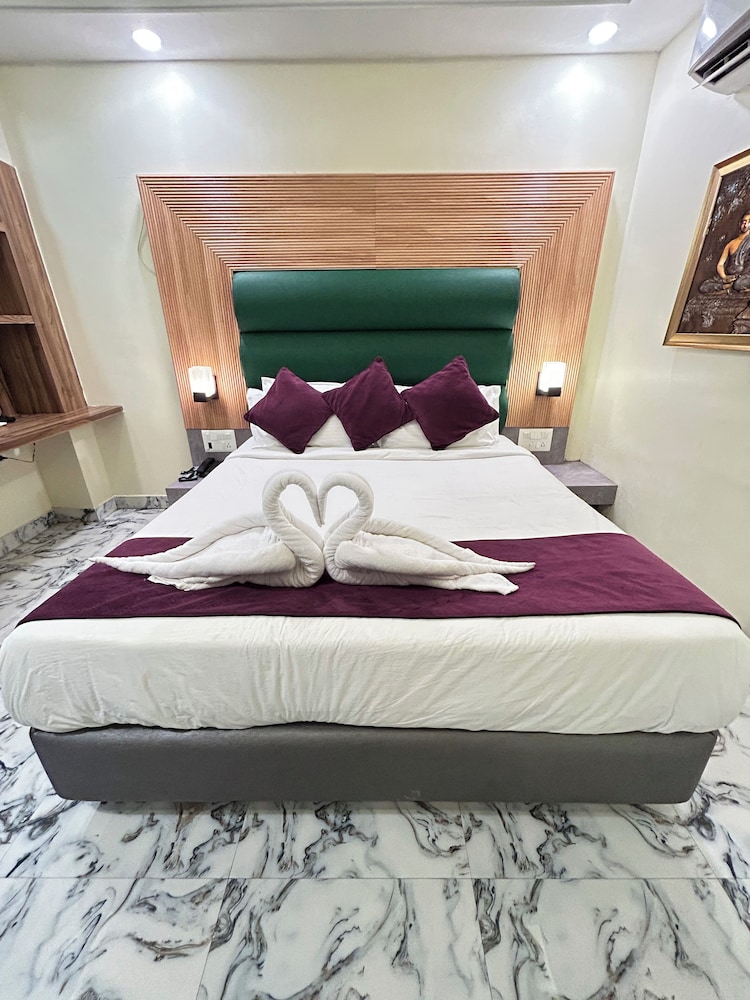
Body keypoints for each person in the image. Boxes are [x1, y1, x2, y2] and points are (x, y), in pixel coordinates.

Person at [700, 210, 750, 293]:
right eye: (744, 222)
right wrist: (724, 277)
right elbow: (720, 264)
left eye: (749, 222)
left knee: (738, 284)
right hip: (730, 276)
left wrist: (743, 273)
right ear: (740, 224)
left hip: (743, 276)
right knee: (704, 286)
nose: (746, 225)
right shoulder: (731, 243)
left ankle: (732, 287)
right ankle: (725, 287)